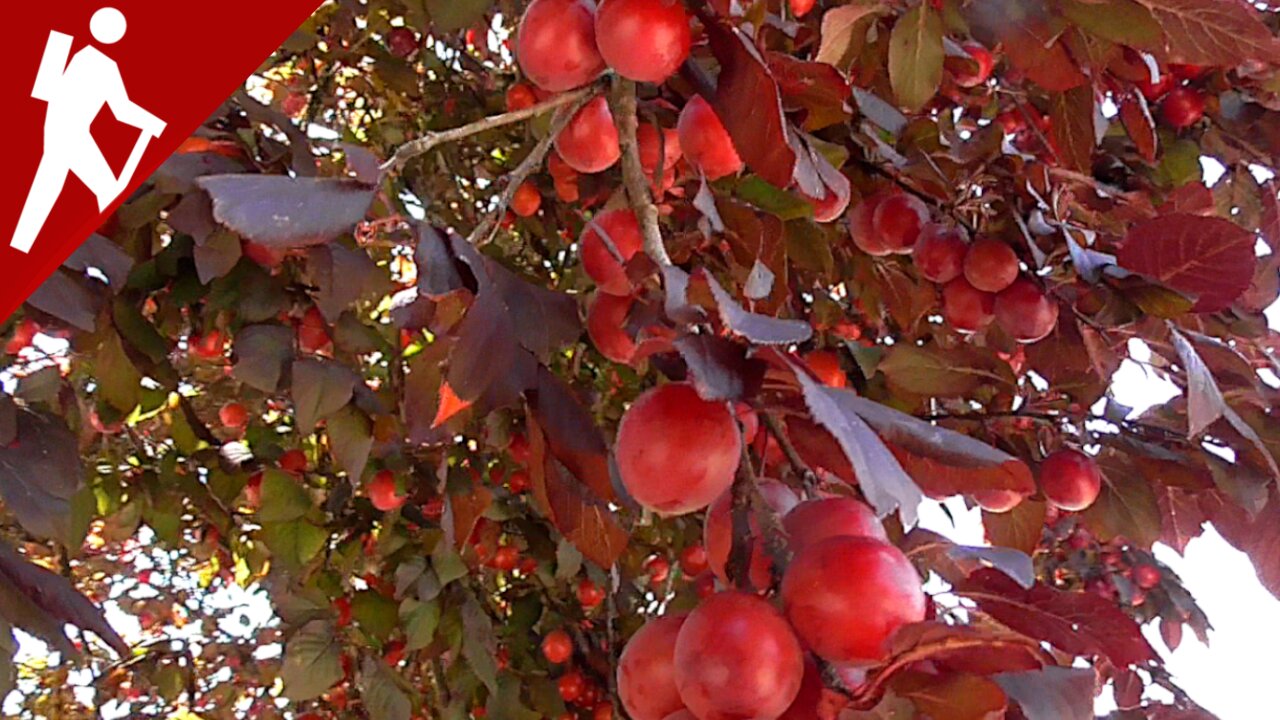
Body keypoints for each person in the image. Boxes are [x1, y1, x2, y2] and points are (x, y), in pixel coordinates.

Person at [11, 7, 166, 253]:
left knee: (53, 185)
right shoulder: (89, 59)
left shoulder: (82, 55)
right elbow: (121, 110)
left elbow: (118, 109)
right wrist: (154, 123)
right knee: (99, 190)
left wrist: (152, 123)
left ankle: (26, 243)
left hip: (66, 128)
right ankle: (87, 255)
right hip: (69, 131)